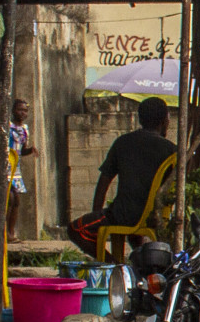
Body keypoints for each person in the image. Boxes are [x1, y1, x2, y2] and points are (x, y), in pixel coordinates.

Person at [69, 97, 178, 256]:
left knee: (75, 229)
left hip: (123, 214)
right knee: (135, 234)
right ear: (164, 121)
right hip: (155, 217)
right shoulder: (171, 150)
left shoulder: (123, 143)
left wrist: (97, 213)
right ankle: (138, 263)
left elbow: (104, 182)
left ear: (140, 119)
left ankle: (113, 265)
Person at [6, 98, 36, 243]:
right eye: (19, 109)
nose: (22, 113)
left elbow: (22, 150)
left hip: (16, 168)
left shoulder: (25, 130)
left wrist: (30, 150)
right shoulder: (7, 127)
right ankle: (6, 232)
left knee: (16, 200)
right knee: (10, 199)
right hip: (6, 167)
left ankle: (10, 233)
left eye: (25, 110)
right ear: (13, 111)